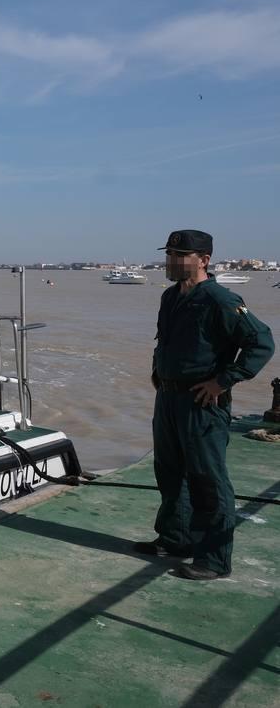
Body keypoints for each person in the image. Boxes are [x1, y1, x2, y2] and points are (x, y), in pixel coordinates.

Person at [135, 229, 273, 580]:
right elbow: (165, 340)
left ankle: (213, 559)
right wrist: (158, 371)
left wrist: (222, 381)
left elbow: (260, 342)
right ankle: (175, 539)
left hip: (201, 402)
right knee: (169, 471)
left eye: (179, 255)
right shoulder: (170, 297)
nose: (171, 261)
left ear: (204, 260)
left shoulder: (220, 299)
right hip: (168, 398)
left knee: (207, 478)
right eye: (169, 254)